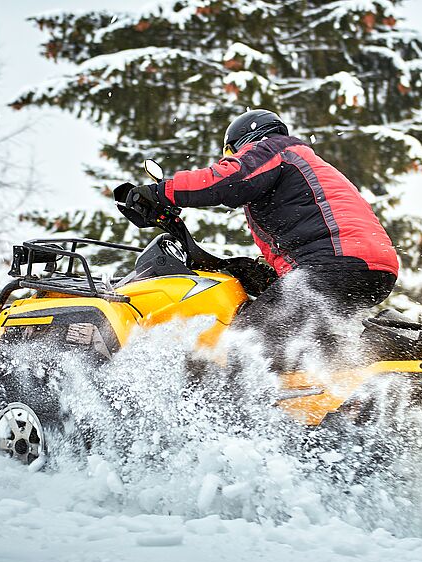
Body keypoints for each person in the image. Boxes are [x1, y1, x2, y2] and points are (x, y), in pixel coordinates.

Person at [125, 108, 399, 370]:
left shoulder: (274, 148)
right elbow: (310, 231)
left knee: (241, 344)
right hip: (370, 270)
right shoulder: (303, 166)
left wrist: (161, 192)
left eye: (231, 155)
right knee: (300, 348)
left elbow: (229, 179)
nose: (230, 160)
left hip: (334, 264)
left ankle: (233, 415)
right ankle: (317, 402)